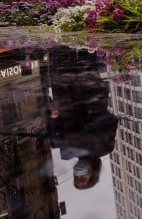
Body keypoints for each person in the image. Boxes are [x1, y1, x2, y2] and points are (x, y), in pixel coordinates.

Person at [45, 45, 118, 190]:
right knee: (86, 49)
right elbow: (111, 120)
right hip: (89, 91)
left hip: (64, 90)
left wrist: (53, 117)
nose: (79, 174)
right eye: (83, 177)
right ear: (93, 174)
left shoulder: (67, 152)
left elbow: (54, 129)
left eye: (76, 177)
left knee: (58, 49)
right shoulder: (105, 148)